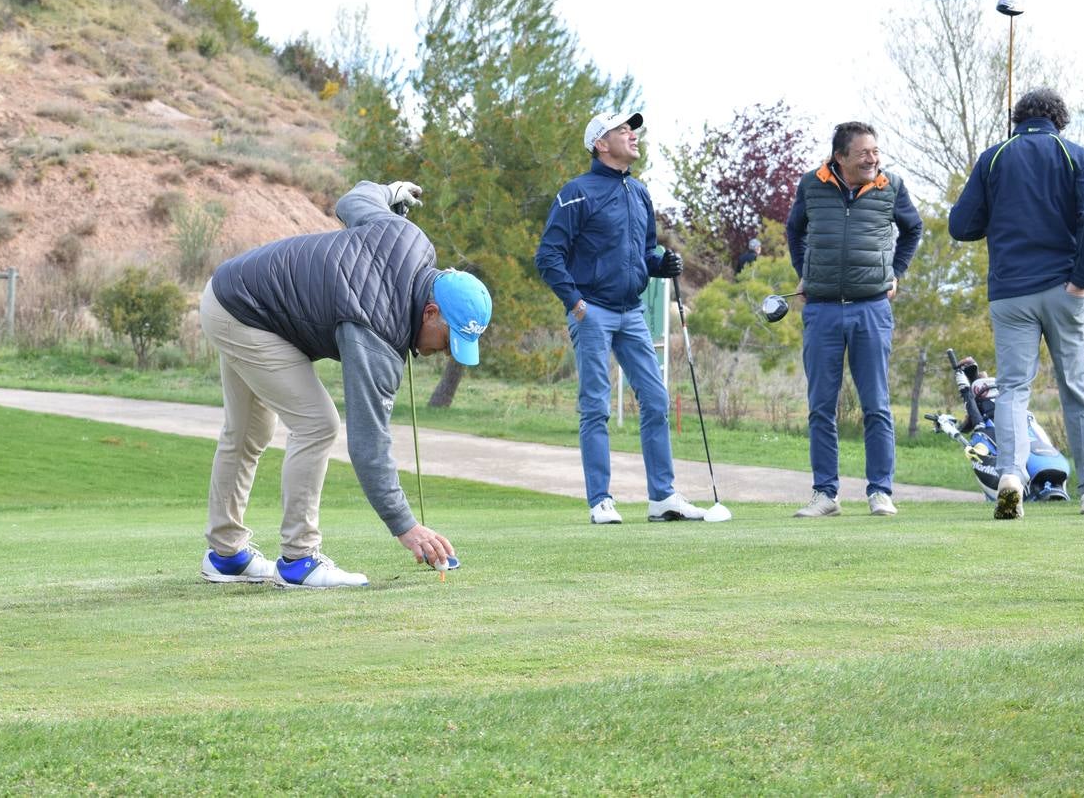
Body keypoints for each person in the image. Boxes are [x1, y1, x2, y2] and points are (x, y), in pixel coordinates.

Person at [198, 180, 493, 588]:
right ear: (429, 312)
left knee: (249, 429)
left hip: (233, 291)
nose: (444, 353)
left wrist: (389, 192)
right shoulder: (376, 331)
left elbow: (355, 198)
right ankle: (299, 561)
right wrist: (407, 528)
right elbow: (370, 447)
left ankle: (226, 556)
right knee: (317, 423)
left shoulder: (408, 236)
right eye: (448, 341)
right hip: (243, 311)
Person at [949, 88, 1084, 519]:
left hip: (1010, 293)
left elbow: (961, 225)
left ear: (1018, 119)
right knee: (1076, 390)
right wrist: (1081, 279)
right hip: (1064, 290)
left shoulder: (993, 158)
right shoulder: (1077, 154)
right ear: (1060, 120)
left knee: (1014, 391)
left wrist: (1000, 211)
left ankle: (1009, 478)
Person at [535, 110, 704, 525]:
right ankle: (600, 501)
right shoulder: (576, 192)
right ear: (600, 143)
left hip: (631, 314)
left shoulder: (639, 193)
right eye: (621, 130)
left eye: (633, 129)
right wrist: (576, 303)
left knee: (656, 399)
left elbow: (644, 254)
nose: (632, 134)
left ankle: (662, 497)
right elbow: (548, 256)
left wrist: (660, 265)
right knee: (595, 406)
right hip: (592, 312)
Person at [785, 121, 922, 518]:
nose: (872, 158)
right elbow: (795, 231)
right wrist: (805, 272)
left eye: (876, 151)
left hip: (871, 308)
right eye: (864, 153)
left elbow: (913, 230)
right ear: (840, 156)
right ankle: (825, 494)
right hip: (822, 310)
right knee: (820, 407)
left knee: (876, 405)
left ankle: (880, 491)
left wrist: (896, 271)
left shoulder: (890, 186)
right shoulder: (811, 184)